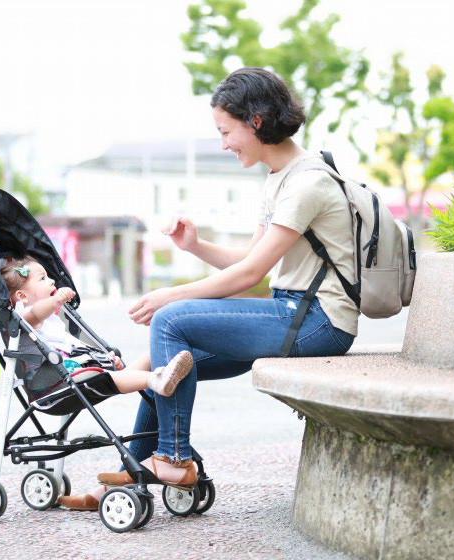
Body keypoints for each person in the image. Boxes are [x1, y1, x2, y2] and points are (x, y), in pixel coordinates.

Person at [58, 67, 357, 511]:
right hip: (293, 313)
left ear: (255, 121)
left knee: (169, 322)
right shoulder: (280, 178)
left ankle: (174, 458)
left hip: (317, 321)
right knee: (164, 366)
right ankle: (129, 476)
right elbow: (247, 261)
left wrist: (169, 296)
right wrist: (194, 245)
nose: (224, 144)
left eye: (225, 131)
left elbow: (249, 275)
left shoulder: (306, 181)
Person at [1, 257, 193, 397]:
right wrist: (56, 301)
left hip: (75, 367)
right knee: (106, 377)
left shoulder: (52, 319)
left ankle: (161, 363)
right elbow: (36, 313)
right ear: (22, 296)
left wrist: (103, 358)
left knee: (124, 368)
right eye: (42, 278)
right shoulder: (21, 318)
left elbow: (73, 345)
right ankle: (154, 379)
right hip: (53, 380)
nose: (51, 280)